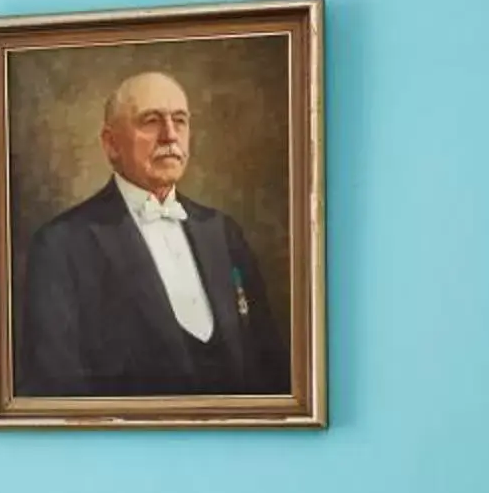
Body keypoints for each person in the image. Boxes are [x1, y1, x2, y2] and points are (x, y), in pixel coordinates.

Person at [16, 71, 289, 398]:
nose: (170, 135)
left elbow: (270, 364)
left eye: (180, 120)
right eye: (151, 121)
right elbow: (56, 386)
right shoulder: (61, 244)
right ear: (111, 144)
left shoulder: (222, 232)